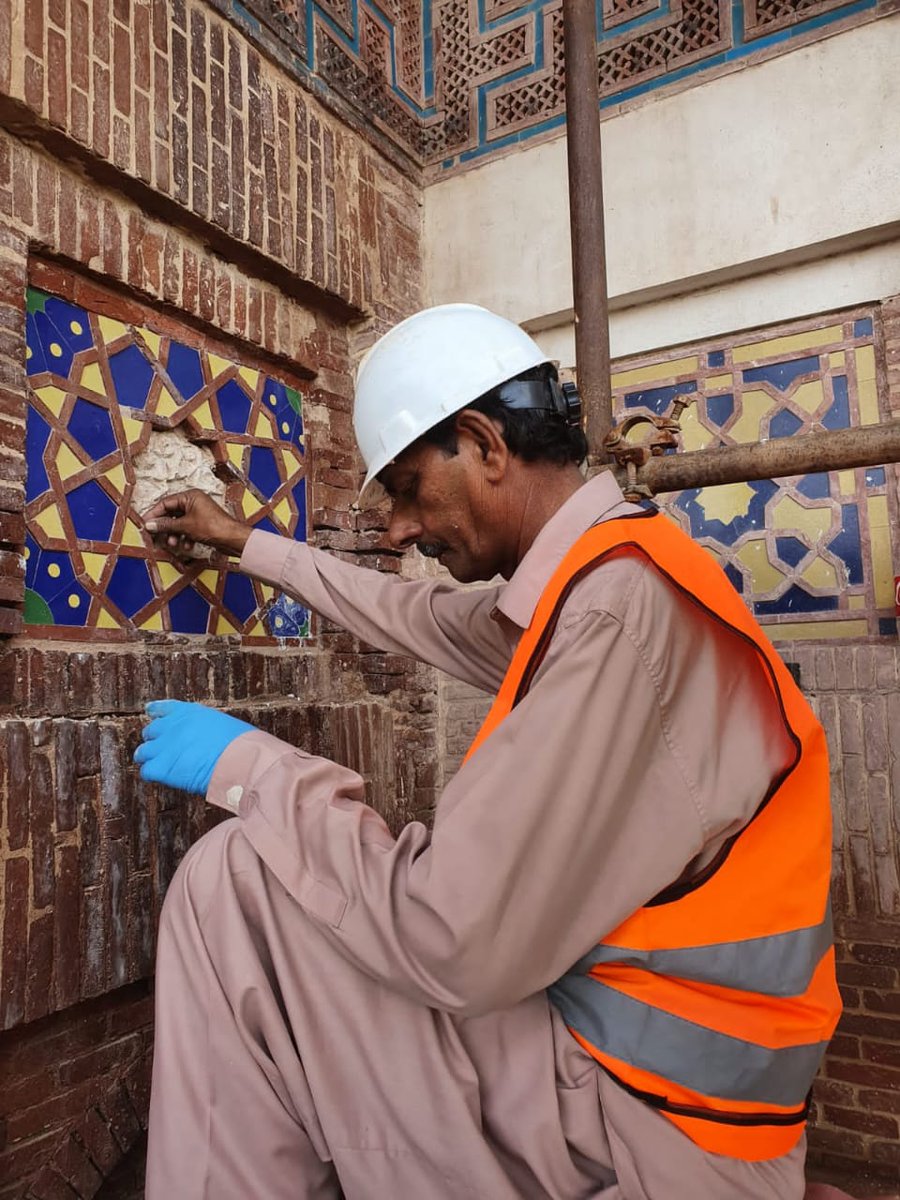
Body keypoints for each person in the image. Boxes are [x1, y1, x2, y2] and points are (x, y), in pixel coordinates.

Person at [137, 304, 842, 1200]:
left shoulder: (615, 618)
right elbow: (412, 614)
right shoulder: (615, 574)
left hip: (656, 1134)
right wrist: (247, 544)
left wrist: (254, 770)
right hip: (691, 1098)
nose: (396, 530)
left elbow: (450, 939)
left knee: (236, 877)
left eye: (404, 488)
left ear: (483, 444)